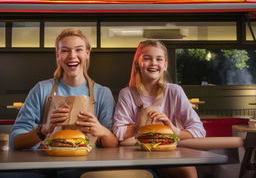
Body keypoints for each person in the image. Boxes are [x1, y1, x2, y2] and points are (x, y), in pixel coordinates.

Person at [7, 28, 118, 178]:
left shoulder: (102, 93)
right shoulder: (41, 89)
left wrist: (101, 130)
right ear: (58, 55)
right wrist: (44, 130)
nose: (72, 56)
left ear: (87, 53)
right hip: (42, 165)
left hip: (85, 165)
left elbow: (114, 143)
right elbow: (16, 141)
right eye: (65, 51)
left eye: (78, 50)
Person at [113, 40, 206, 178]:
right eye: (147, 58)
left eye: (159, 59)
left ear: (165, 65)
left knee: (187, 170)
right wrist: (141, 125)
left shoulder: (175, 91)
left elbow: (199, 130)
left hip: (168, 155)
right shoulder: (127, 93)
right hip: (136, 156)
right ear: (138, 63)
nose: (153, 63)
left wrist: (173, 130)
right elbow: (118, 132)